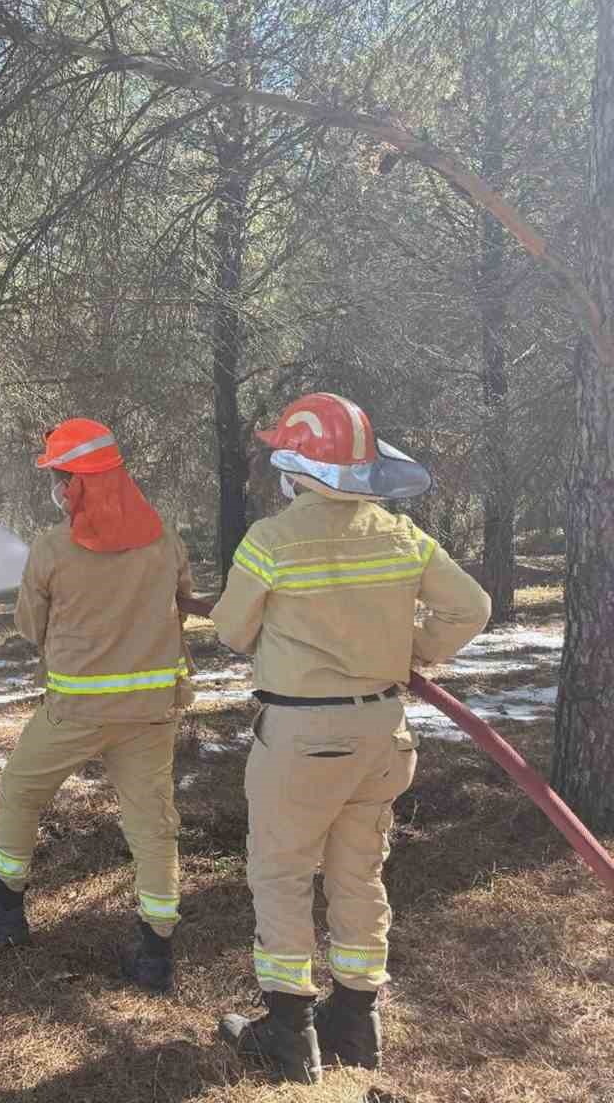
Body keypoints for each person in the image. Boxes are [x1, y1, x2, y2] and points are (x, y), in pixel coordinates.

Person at [211, 393, 490, 1084]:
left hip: (301, 736)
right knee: (359, 870)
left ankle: (287, 1029)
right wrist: (414, 649)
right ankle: (356, 1023)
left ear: (294, 464)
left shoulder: (272, 540)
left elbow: (229, 631)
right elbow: (473, 607)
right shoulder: (400, 535)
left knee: (279, 872)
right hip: (380, 733)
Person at [0, 418, 193, 994]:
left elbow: (30, 627)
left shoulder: (53, 549)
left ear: (76, 487)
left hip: (75, 714)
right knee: (152, 825)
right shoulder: (165, 540)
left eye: (61, 479)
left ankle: (6, 912)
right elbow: (182, 606)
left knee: (20, 791)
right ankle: (156, 950)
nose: (57, 490)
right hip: (150, 713)